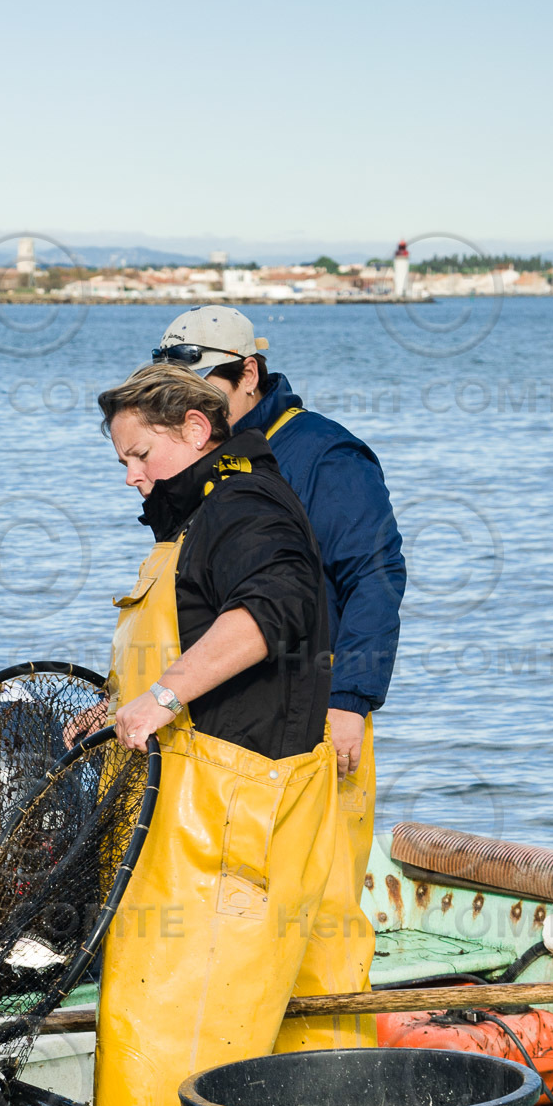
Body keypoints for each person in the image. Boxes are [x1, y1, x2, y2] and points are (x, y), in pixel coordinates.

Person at [149, 305, 405, 1052]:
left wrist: (352, 701)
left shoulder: (323, 454)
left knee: (320, 925)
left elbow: (376, 574)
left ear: (249, 373)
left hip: (321, 726)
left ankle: (330, 1094)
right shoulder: (204, 461)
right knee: (232, 931)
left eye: (201, 385)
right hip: (232, 743)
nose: (186, 405)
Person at [91, 364, 339, 1106]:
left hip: (228, 828)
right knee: (184, 1017)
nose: (133, 478)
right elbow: (192, 638)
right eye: (122, 463)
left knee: (175, 1034)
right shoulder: (198, 515)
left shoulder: (243, 506)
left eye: (142, 455)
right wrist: (119, 708)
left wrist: (162, 698)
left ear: (197, 430)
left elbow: (276, 607)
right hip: (189, 822)